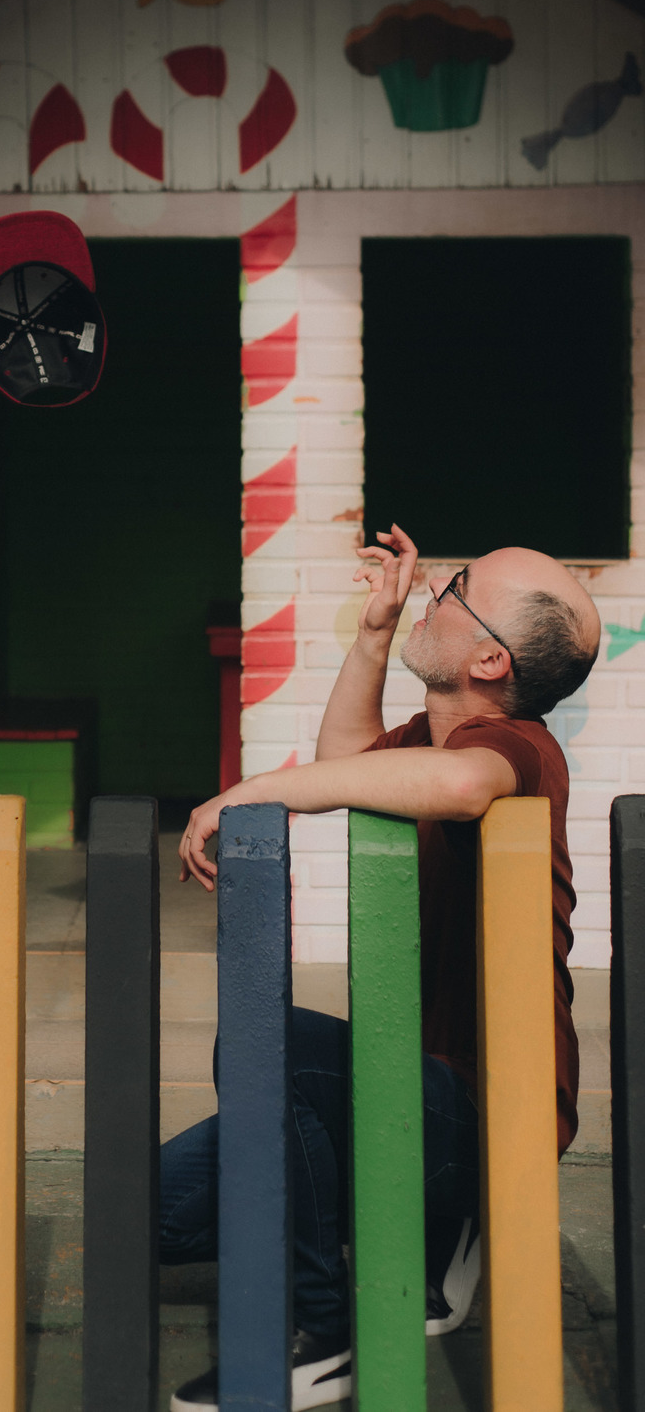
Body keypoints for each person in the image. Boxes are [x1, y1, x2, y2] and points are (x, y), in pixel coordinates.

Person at [164, 524, 600, 1412]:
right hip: (410, 1084)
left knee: (273, 1042)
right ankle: (434, 1218)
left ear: (488, 660)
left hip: (486, 1109)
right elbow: (348, 765)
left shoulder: (520, 747)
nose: (433, 586)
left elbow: (461, 787)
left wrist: (249, 789)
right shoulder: (431, 739)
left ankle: (321, 1334)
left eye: (457, 587)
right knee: (158, 1213)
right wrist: (374, 633)